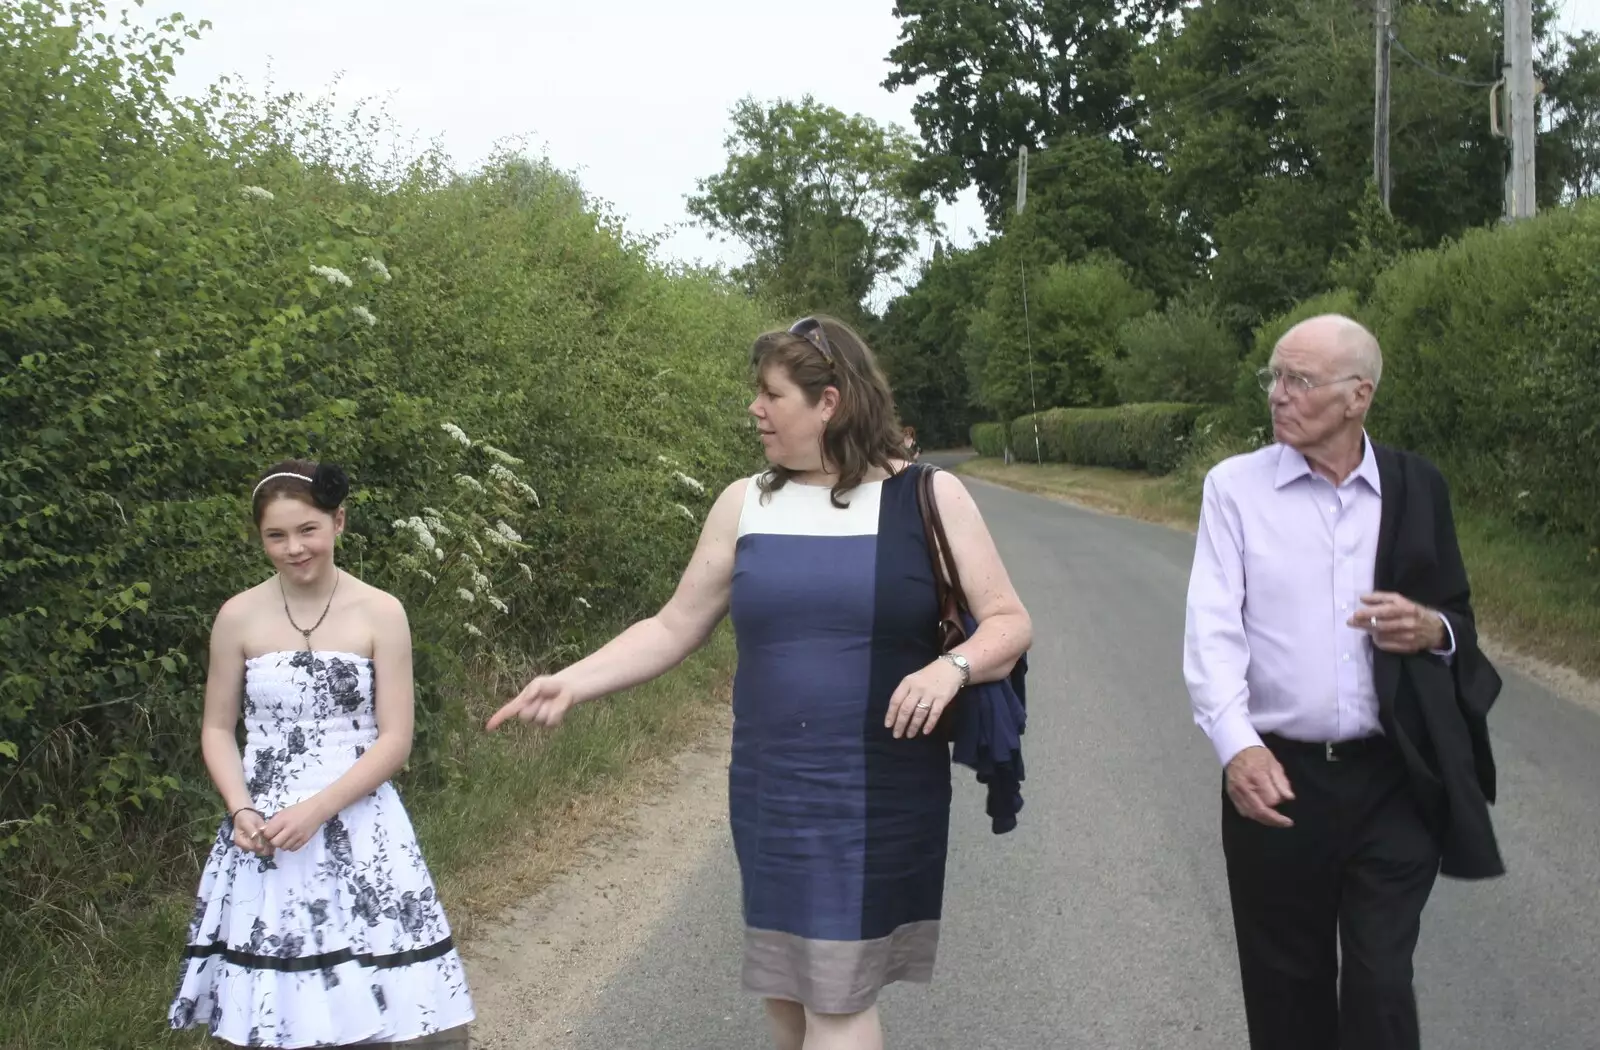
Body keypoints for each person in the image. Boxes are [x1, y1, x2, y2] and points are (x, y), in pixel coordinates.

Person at [488, 316, 1031, 1050]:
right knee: (786, 994)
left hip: (879, 787)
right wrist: (573, 682)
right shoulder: (744, 502)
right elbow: (674, 625)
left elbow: (1007, 622)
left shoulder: (928, 498)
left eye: (772, 395)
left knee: (837, 1000)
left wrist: (950, 666)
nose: (755, 409)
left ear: (829, 403)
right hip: (772, 785)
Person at [1182, 314, 1504, 1050]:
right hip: (1279, 780)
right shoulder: (1235, 489)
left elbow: (1457, 616)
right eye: (1274, 376)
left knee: (1379, 980)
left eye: (1299, 380)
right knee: (1286, 989)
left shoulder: (1418, 487)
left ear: (1358, 396)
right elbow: (1212, 632)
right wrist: (1238, 749)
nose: (1278, 395)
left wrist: (1433, 630)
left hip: (1393, 778)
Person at [170, 460, 474, 1048]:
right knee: (279, 1009)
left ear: (338, 521)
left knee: (377, 999)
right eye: (276, 536)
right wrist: (240, 808)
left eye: (307, 530)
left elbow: (395, 739)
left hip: (361, 821)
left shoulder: (381, 611)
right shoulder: (237, 616)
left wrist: (318, 810)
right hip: (264, 834)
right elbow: (216, 729)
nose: (294, 548)